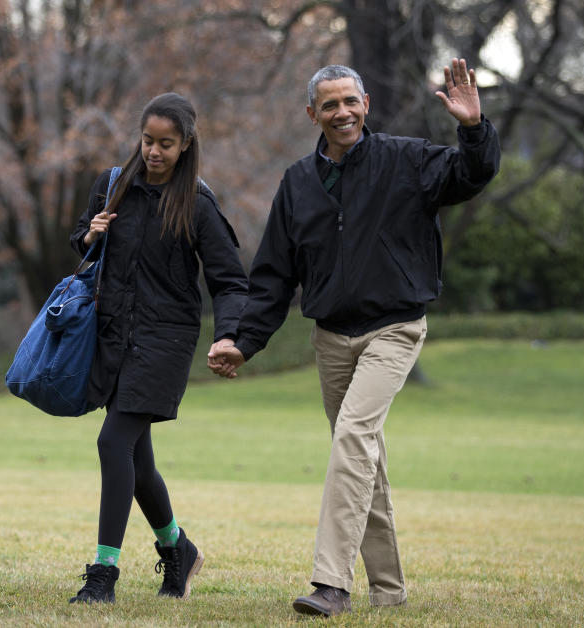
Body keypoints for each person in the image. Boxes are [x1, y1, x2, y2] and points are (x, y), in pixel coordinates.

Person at [208, 59, 500, 617]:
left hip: (394, 329)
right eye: (330, 104)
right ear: (312, 113)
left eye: (350, 101)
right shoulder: (297, 182)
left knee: (351, 442)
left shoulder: (407, 159)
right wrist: (243, 342)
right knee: (363, 459)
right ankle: (389, 593)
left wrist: (472, 128)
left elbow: (471, 175)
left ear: (365, 104)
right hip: (332, 339)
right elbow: (273, 275)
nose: (341, 112)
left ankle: (331, 585)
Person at [66, 92, 247, 603]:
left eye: (166, 144)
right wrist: (90, 235)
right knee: (136, 459)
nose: (154, 152)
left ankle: (103, 574)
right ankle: (178, 549)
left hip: (165, 341)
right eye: (147, 141)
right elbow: (81, 240)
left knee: (111, 443)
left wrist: (229, 334)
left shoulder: (198, 204)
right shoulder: (112, 186)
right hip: (112, 335)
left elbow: (231, 280)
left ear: (186, 145)